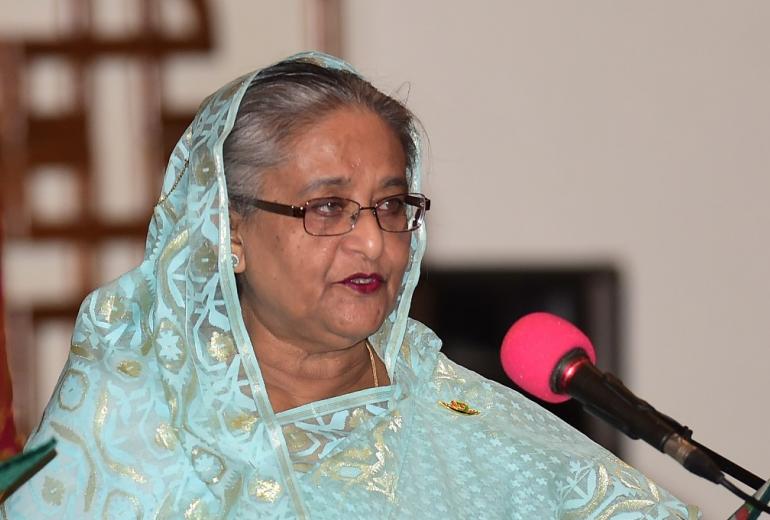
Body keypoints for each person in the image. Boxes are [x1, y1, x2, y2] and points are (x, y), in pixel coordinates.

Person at [2, 52, 699, 518]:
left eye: (392, 205)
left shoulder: (462, 420)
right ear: (229, 230)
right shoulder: (129, 418)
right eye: (327, 207)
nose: (373, 241)